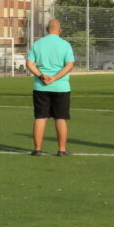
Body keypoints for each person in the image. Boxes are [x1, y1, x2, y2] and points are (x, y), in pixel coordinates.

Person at [27, 19, 75, 156]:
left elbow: (30, 64)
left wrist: (42, 76)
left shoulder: (37, 44)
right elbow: (69, 65)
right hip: (61, 87)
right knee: (60, 118)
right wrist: (54, 78)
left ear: (47, 29)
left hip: (41, 87)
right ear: (60, 30)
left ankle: (37, 149)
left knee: (40, 117)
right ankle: (62, 149)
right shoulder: (65, 44)